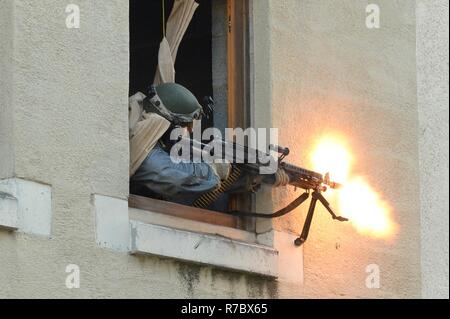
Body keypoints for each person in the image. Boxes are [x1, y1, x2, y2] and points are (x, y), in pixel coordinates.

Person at [128, 83, 230, 206]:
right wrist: (212, 169)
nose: (189, 132)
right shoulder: (145, 151)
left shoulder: (145, 128)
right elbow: (177, 177)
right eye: (185, 126)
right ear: (169, 125)